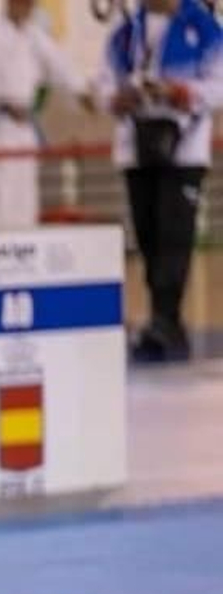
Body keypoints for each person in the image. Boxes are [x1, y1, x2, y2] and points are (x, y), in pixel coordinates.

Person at [96, 0, 223, 363]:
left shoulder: (204, 27)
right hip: (137, 147)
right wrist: (115, 98)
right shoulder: (125, 30)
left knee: (174, 235)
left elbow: (219, 83)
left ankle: (166, 320)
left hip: (184, 148)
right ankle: (161, 319)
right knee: (148, 234)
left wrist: (182, 93)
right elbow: (103, 81)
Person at [0, 0, 89, 233]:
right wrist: (5, 103)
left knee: (24, 196)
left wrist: (82, 92)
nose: (27, 8)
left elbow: (61, 66)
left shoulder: (34, 35)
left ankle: (22, 249)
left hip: (25, 128)